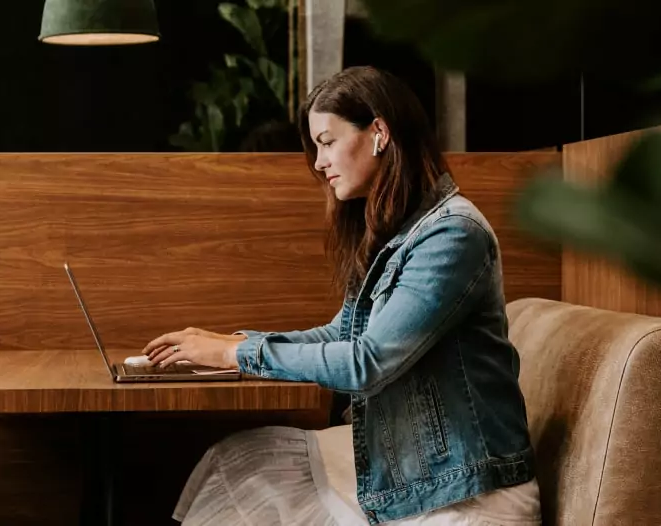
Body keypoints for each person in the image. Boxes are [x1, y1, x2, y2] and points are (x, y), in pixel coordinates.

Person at [142, 65, 542, 526]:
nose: (318, 161)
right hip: (412, 473)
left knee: (251, 478)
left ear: (379, 133)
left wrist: (235, 353)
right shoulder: (397, 229)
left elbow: (365, 362)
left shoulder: (453, 236)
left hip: (467, 495)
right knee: (238, 461)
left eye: (327, 141)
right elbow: (343, 334)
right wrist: (226, 343)